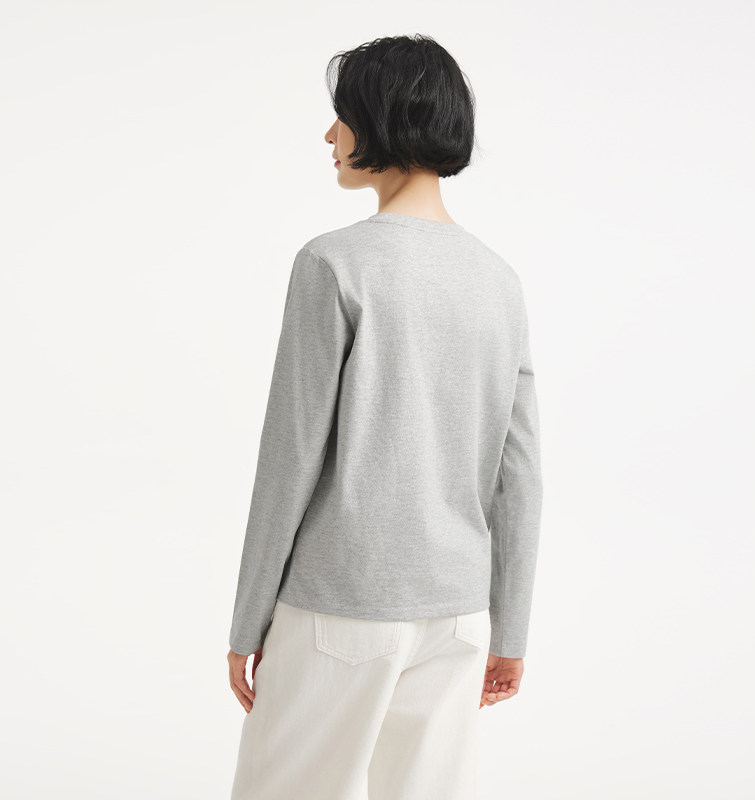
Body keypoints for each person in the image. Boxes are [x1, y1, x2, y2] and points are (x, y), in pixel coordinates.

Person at [227, 33, 543, 800]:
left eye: (341, 116)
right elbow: (521, 471)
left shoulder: (334, 263)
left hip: (340, 605)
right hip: (457, 614)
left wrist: (247, 623)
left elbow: (290, 455)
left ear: (383, 119)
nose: (329, 135)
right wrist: (509, 629)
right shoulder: (498, 280)